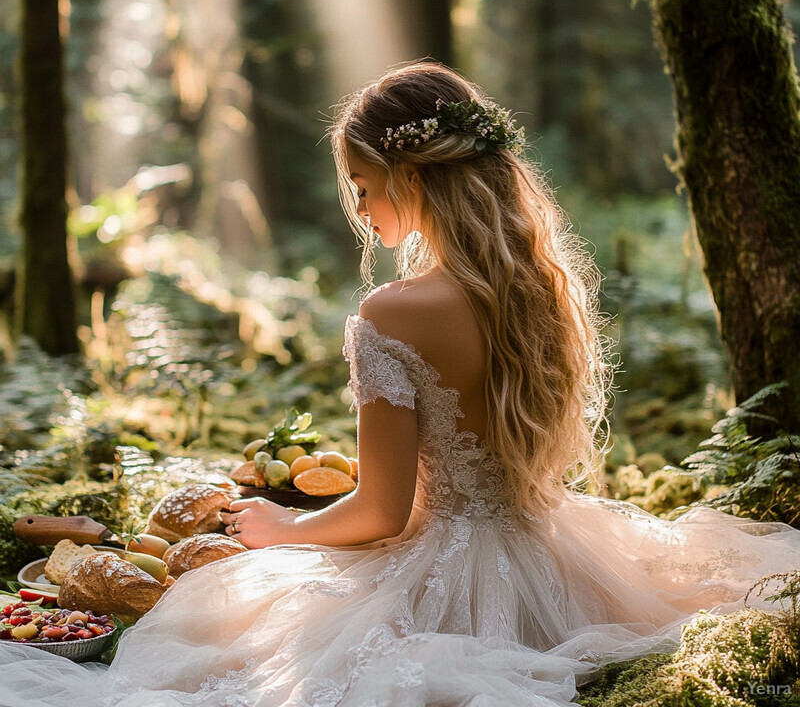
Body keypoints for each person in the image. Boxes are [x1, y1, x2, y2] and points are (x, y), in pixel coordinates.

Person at [2, 61, 800, 707]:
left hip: (443, 570)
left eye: (361, 181)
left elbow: (383, 511)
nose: (358, 203)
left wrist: (278, 529)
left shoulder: (391, 314)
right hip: (557, 556)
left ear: (411, 174)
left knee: (219, 654)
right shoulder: (538, 290)